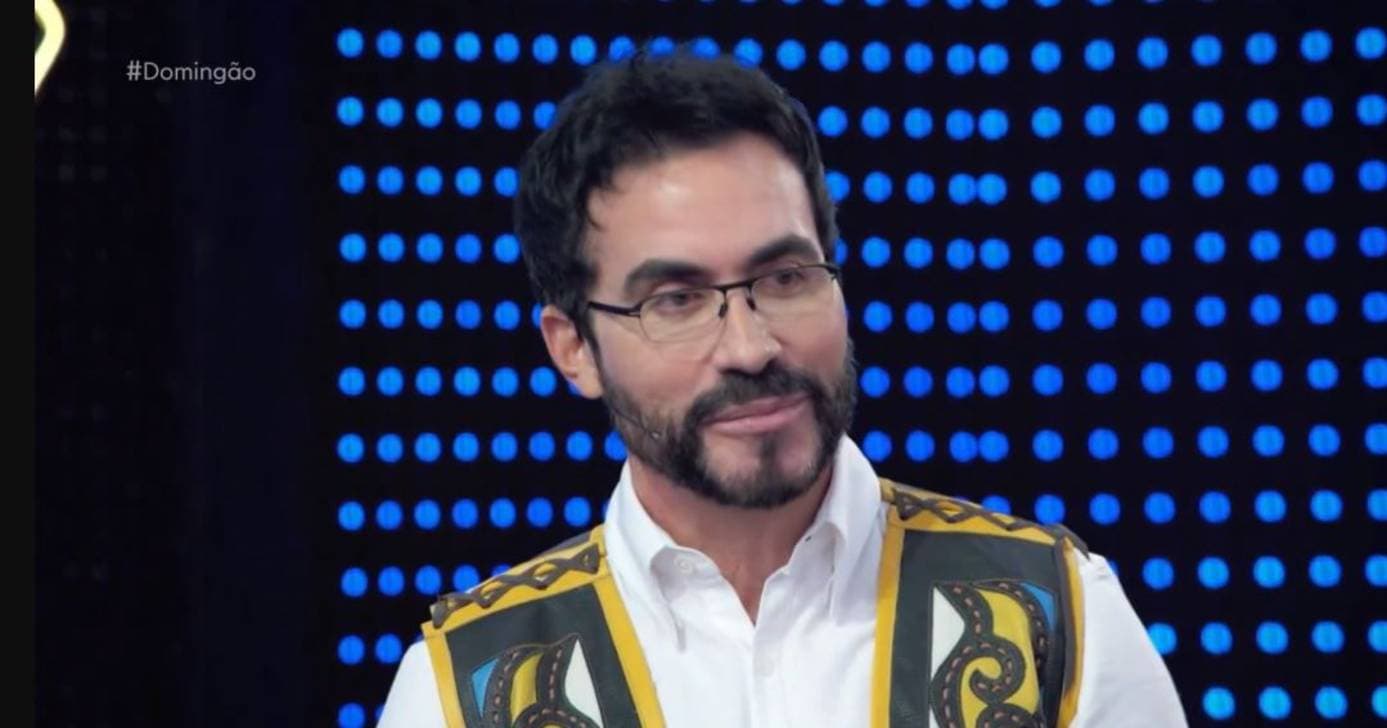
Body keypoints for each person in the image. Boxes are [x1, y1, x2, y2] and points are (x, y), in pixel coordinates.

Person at [378, 48, 1186, 728]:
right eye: (676, 300)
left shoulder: (1058, 618)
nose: (750, 346)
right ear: (572, 349)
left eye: (786, 277)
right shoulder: (461, 691)